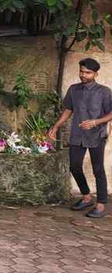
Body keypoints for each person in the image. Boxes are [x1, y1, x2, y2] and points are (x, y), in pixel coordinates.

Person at [49, 58, 112, 218]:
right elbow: (68, 110)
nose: (84, 75)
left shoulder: (104, 92)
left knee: (98, 169)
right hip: (77, 135)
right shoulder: (73, 90)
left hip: (97, 135)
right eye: (82, 71)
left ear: (96, 74)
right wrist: (56, 126)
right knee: (74, 166)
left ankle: (101, 204)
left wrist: (95, 122)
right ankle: (86, 197)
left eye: (88, 72)